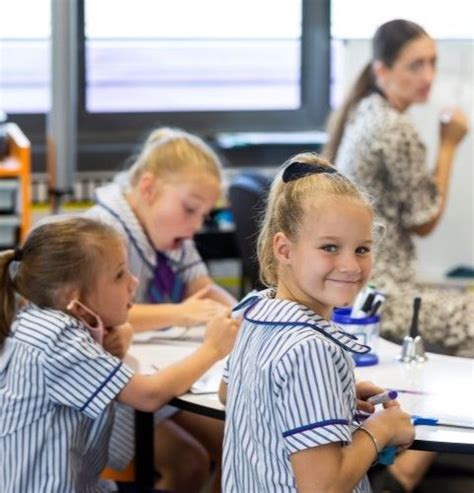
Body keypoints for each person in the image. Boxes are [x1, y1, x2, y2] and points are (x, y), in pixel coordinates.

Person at [324, 18, 472, 492]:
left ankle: (413, 464)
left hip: (364, 293)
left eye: (432, 63)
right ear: (383, 71)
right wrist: (450, 145)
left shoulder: (366, 111)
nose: (427, 75)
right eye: (415, 65)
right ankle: (403, 475)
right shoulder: (394, 127)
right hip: (383, 298)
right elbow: (425, 217)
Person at [218, 154, 415, 493]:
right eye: (330, 247)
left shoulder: (255, 312)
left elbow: (229, 391)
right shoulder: (311, 348)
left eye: (362, 249)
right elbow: (322, 487)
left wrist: (333, 397)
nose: (351, 265)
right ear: (284, 249)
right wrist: (382, 428)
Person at [0, 216, 239, 493]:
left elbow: (111, 340)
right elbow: (148, 395)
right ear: (74, 301)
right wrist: (213, 348)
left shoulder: (36, 317)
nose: (133, 281)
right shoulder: (58, 339)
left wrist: (120, 332)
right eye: (119, 275)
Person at [86, 127, 238, 492]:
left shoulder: (171, 232)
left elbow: (204, 289)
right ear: (149, 189)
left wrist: (242, 318)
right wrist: (179, 313)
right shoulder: (101, 232)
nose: (196, 225)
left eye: (203, 214)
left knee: (236, 443)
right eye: (190, 209)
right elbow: (96, 315)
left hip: (153, 372)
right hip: (108, 389)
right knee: (189, 462)